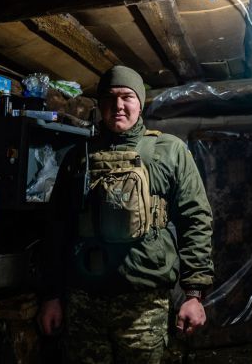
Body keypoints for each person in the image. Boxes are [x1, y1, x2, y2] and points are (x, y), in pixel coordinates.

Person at [38, 65, 214, 363]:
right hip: (84, 301)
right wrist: (51, 296)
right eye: (109, 97)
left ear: (140, 102)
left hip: (144, 306)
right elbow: (57, 227)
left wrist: (194, 293)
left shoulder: (170, 151)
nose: (118, 106)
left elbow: (195, 219)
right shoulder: (79, 156)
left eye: (127, 97)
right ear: (100, 105)